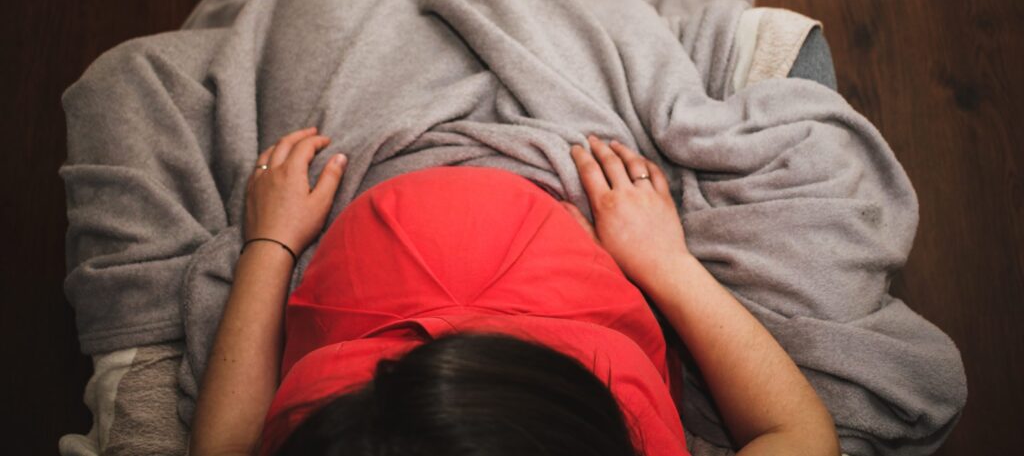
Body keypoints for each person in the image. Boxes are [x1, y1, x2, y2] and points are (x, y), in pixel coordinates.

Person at [188, 126, 841, 456]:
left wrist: (269, 244)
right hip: (566, 275)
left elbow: (223, 449)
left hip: (368, 268)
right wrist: (666, 263)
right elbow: (800, 432)